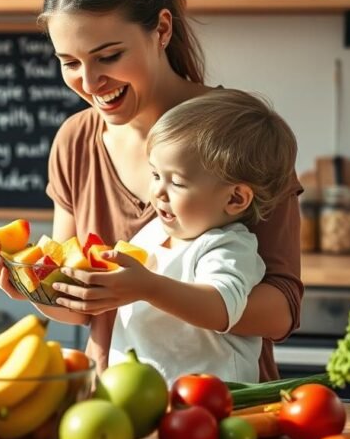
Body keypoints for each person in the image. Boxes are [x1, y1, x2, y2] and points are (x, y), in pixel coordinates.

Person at [0, 0, 303, 381]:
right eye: (68, 62)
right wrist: (33, 288)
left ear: (162, 30)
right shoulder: (75, 142)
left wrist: (148, 287)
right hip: (114, 406)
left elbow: (282, 312)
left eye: (108, 55)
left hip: (224, 410)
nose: (89, 82)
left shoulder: (237, 133)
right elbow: (85, 309)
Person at [56, 91, 297, 383]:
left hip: (208, 406)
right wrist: (30, 287)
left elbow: (221, 307)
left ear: (235, 198)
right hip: (137, 398)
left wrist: (149, 287)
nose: (157, 191)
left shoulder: (229, 246)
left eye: (177, 182)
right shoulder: (153, 233)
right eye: (156, 175)